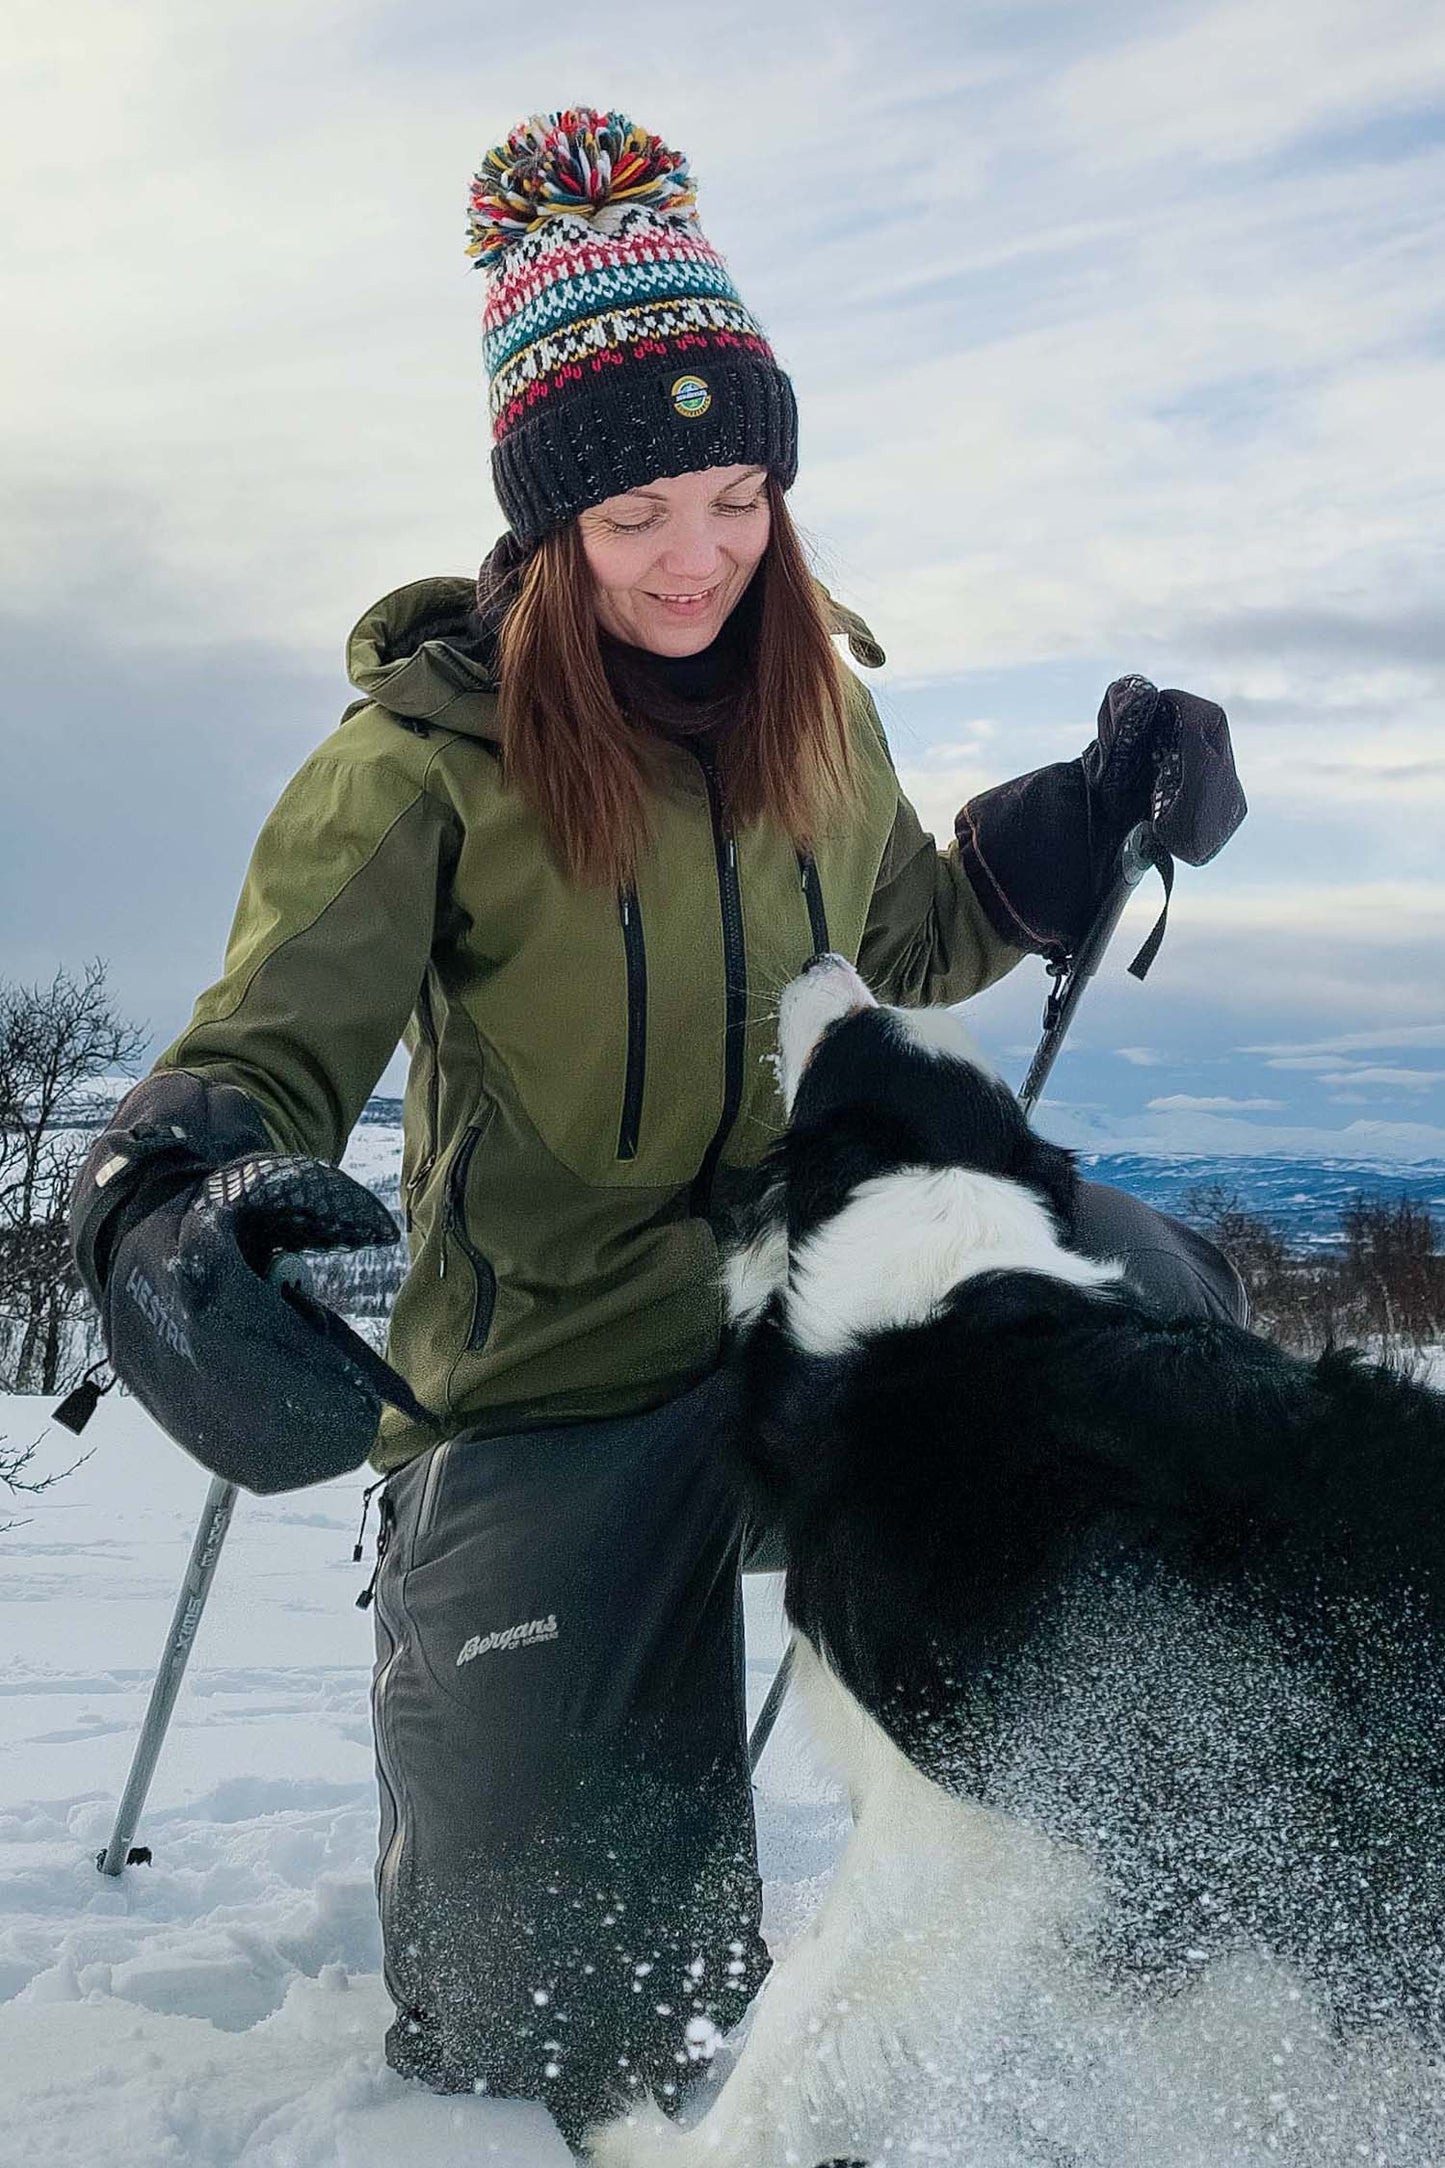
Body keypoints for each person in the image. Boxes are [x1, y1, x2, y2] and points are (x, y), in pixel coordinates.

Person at [70, 108, 1246, 2147]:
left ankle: (1157, 1832)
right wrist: (172, 1202)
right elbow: (262, 1037)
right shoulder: (417, 768)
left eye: (735, 496)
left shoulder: (815, 700)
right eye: (634, 518)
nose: (697, 555)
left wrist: (1072, 830)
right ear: (544, 528)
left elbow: (910, 923)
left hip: (814, 1300)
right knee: (548, 2044)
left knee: (1157, 1308)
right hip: (550, 1374)